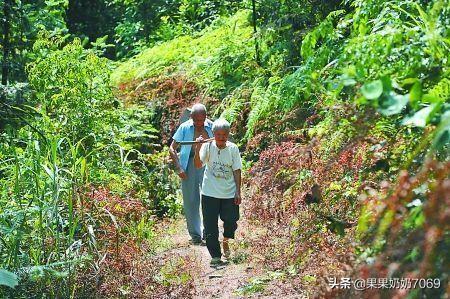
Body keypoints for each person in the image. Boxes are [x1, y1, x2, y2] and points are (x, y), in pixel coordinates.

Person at [194, 118, 242, 267]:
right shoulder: (207, 147)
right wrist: (197, 148)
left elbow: (237, 170)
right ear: (213, 134)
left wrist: (238, 191)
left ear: (228, 135)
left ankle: (226, 240)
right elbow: (197, 165)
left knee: (231, 220)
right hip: (209, 193)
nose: (221, 137)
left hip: (228, 193)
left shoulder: (233, 148)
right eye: (218, 134)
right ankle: (215, 255)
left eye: (224, 134)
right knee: (210, 225)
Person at [169, 103, 213, 245]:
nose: (199, 123)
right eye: (196, 120)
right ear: (191, 117)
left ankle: (209, 232)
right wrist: (179, 168)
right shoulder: (185, 127)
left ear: (206, 117)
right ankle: (195, 235)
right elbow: (172, 148)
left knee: (210, 198)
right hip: (189, 165)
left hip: (207, 163)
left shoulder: (212, 126)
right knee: (191, 201)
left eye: (202, 120)